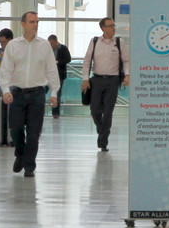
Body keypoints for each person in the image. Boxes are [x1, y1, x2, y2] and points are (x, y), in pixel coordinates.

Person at [0, 11, 59, 177]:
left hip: (37, 93)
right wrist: (5, 91)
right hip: (17, 93)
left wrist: (54, 92)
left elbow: (52, 70)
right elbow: (5, 71)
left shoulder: (44, 45)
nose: (35, 25)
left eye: (37, 22)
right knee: (15, 129)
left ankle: (29, 165)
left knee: (33, 132)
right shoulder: (13, 45)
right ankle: (20, 153)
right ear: (23, 24)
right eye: (32, 22)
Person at [81, 17, 129, 153]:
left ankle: (103, 142)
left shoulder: (119, 42)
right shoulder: (95, 41)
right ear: (103, 28)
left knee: (108, 112)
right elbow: (87, 61)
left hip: (112, 81)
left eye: (114, 25)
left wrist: (127, 74)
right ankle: (101, 129)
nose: (113, 28)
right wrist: (85, 79)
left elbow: (126, 60)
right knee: (95, 110)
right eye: (110, 25)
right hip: (96, 80)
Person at [47, 34, 71, 118]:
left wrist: (57, 62)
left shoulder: (63, 48)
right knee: (42, 92)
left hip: (59, 75)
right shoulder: (47, 49)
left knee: (57, 93)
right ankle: (39, 111)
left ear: (57, 42)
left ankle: (55, 113)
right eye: (49, 44)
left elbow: (68, 59)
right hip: (47, 75)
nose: (51, 46)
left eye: (52, 44)